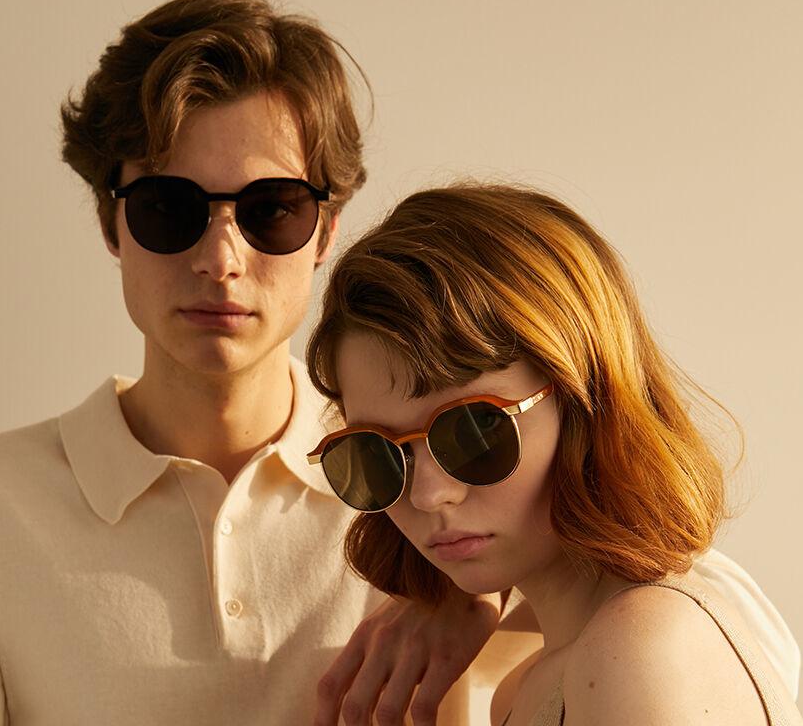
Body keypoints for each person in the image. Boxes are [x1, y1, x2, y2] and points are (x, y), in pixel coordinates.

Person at [0, 0, 796, 726]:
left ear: (327, 227)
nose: (221, 259)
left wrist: (479, 597)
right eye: (170, 209)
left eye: (272, 209)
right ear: (112, 221)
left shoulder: (448, 531)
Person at [306, 182, 803, 725]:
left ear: (585, 399)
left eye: (474, 430)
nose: (428, 494)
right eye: (376, 451)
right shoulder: (537, 679)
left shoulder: (638, 651)